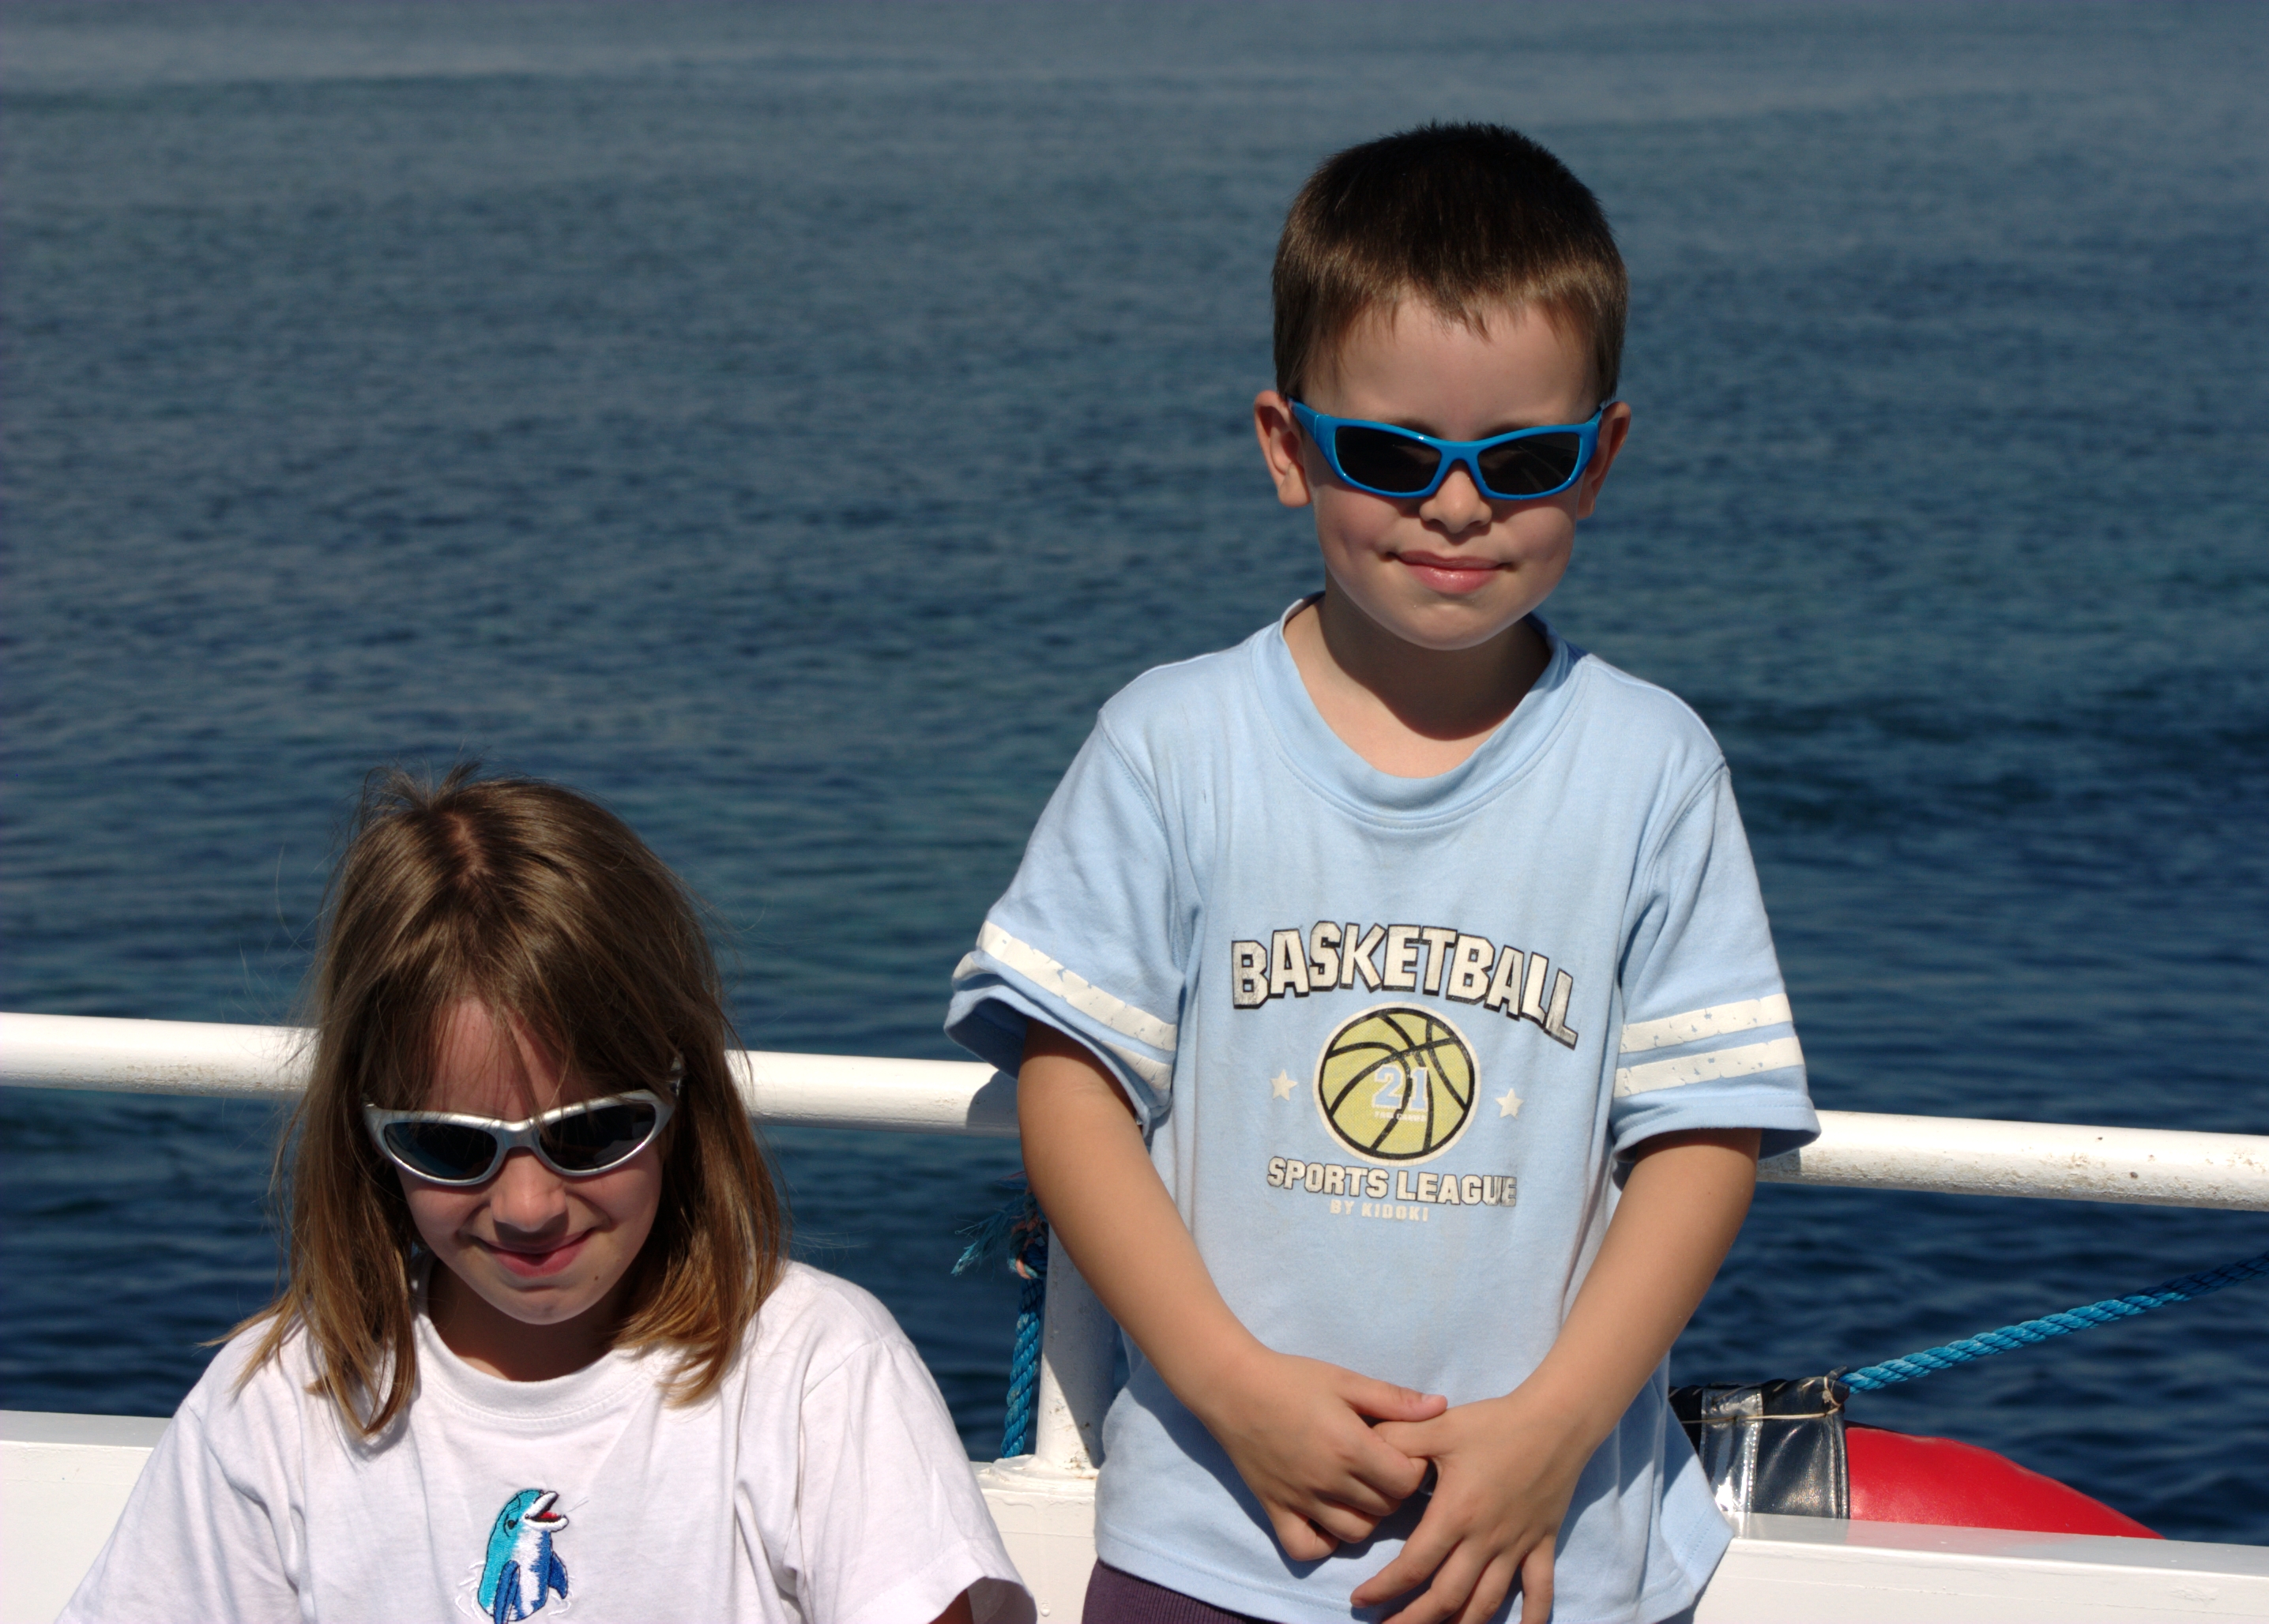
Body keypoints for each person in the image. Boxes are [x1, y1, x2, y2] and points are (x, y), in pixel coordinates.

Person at [946, 124, 1819, 1624]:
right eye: (1394, 455)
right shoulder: (1171, 745)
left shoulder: (1651, 769)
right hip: (1216, 1535)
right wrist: (1229, 1385)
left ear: (1600, 459)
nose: (1458, 504)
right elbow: (1070, 1085)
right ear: (1289, 448)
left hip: (1547, 1549)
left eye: (1523, 460)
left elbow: (1702, 1135)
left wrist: (1553, 1431)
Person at [65, 769, 1031, 1624]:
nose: (527, 1205)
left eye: (591, 1132)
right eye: (450, 1145)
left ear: (681, 1096)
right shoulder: (281, 1402)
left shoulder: (816, 1371)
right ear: (368, 1135)